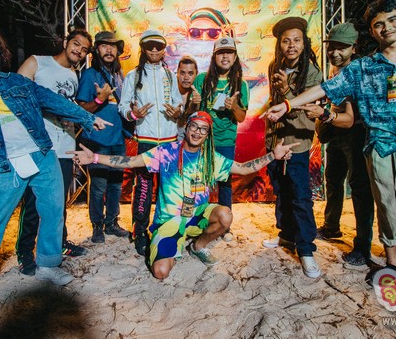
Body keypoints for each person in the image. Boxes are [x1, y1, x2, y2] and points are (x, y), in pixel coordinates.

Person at [263, 0, 396, 282]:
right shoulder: (362, 68)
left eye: (392, 20)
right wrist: (288, 104)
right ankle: (392, 264)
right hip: (385, 145)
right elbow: (325, 89)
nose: (386, 27)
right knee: (389, 207)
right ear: (372, 31)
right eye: (379, 24)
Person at [0, 24, 110, 317]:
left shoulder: (15, 83)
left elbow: (52, 100)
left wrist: (85, 117)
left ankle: (48, 264)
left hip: (42, 155)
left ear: (0, 53)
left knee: (53, 212)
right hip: (2, 164)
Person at [70, 111, 297, 280]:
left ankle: (197, 246)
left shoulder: (211, 158)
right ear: (186, 128)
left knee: (225, 215)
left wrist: (272, 155)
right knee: (160, 272)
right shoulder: (167, 152)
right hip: (169, 220)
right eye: (194, 127)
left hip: (196, 216)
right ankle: (173, 243)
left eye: (203, 129)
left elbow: (244, 168)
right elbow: (130, 161)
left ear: (207, 135)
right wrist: (95, 158)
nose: (197, 132)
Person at [14, 29, 92, 276]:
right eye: (76, 44)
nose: (79, 51)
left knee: (59, 202)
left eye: (84, 49)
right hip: (39, 146)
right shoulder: (37, 62)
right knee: (33, 202)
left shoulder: (74, 75)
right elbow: (16, 96)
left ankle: (59, 242)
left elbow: (71, 108)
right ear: (65, 42)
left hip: (66, 145)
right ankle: (25, 252)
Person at [299, 23, 375, 270]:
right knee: (333, 180)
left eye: (342, 48)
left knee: (360, 188)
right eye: (331, 47)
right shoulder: (334, 70)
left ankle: (362, 247)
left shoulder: (355, 71)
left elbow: (350, 116)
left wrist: (324, 114)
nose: (335, 53)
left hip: (356, 132)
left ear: (354, 48)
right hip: (337, 132)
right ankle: (331, 226)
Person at [261, 16, 323, 279]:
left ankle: (306, 249)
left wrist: (287, 92)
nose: (291, 45)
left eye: (297, 40)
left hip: (297, 142)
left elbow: (304, 111)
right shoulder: (274, 66)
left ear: (304, 43)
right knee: (281, 191)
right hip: (275, 141)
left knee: (300, 196)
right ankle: (286, 235)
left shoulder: (312, 72)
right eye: (286, 41)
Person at [118, 29, 183, 256]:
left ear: (164, 50)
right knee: (144, 188)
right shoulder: (133, 76)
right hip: (146, 140)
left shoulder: (170, 76)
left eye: (158, 46)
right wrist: (133, 114)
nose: (154, 50)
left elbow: (179, 103)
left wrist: (178, 111)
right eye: (150, 46)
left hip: (169, 140)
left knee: (168, 189)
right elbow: (123, 106)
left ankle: (165, 230)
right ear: (143, 49)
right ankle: (140, 232)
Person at [192, 37, 249, 242]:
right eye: (221, 52)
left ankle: (225, 227)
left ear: (235, 57)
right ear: (214, 56)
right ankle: (199, 224)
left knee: (224, 184)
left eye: (229, 52)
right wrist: (194, 103)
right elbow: (193, 114)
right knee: (200, 183)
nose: (225, 56)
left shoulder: (240, 84)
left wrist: (233, 107)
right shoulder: (202, 79)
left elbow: (241, 117)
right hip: (203, 141)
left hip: (225, 141)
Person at [76, 31, 130, 243]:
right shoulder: (90, 75)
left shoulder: (119, 75)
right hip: (98, 139)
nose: (109, 49)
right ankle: (97, 225)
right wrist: (99, 100)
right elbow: (80, 110)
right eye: (104, 45)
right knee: (98, 187)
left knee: (116, 185)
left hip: (118, 139)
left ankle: (112, 222)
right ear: (96, 50)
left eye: (113, 46)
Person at [175, 56, 201, 140]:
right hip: (170, 140)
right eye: (182, 73)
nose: (186, 78)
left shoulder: (200, 93)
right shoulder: (169, 90)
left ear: (196, 74)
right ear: (177, 73)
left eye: (190, 73)